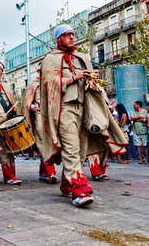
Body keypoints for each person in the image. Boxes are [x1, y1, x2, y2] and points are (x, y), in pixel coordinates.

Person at [39, 24, 127, 207]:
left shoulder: (83, 58)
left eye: (72, 34)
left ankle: (66, 184)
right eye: (66, 34)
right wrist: (75, 77)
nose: (71, 37)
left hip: (84, 108)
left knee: (80, 152)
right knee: (71, 149)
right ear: (58, 39)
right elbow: (49, 85)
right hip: (64, 109)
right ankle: (80, 190)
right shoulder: (50, 59)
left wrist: (91, 78)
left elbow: (91, 85)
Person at [21, 64, 57, 183]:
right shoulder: (33, 84)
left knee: (50, 142)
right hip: (39, 115)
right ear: (38, 71)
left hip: (51, 115)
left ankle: (43, 172)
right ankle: (50, 171)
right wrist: (32, 107)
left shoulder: (52, 83)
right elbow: (26, 102)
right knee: (41, 142)